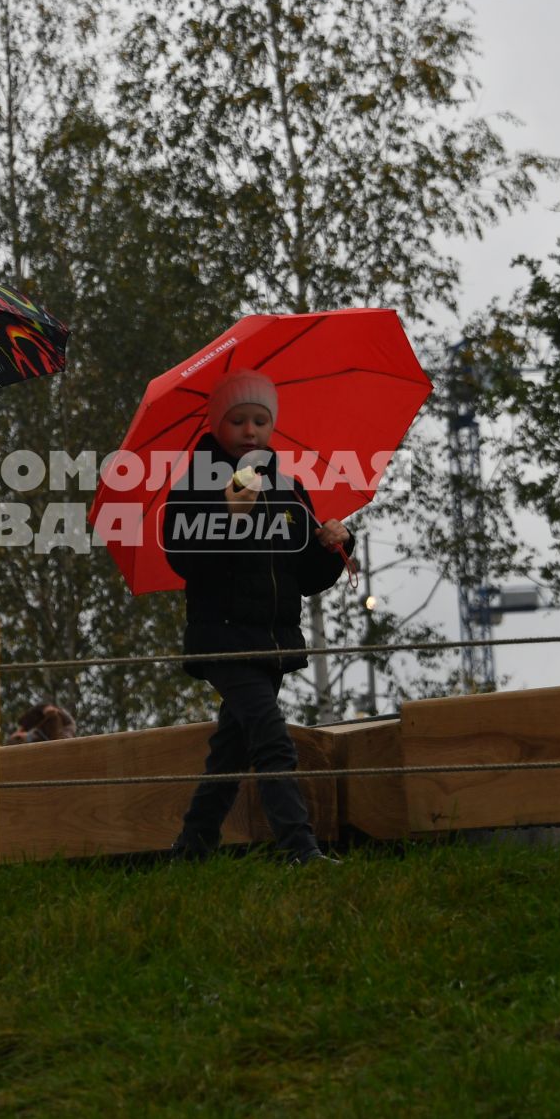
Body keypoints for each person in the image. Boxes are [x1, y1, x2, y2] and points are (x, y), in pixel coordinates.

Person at [162, 370, 354, 865]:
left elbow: (305, 577)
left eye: (261, 420)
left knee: (231, 751)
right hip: (223, 639)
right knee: (273, 741)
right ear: (217, 425)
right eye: (238, 419)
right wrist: (227, 516)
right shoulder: (196, 483)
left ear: (273, 427)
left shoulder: (289, 490)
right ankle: (299, 849)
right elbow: (183, 558)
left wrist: (335, 546)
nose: (250, 430)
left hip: (272, 641)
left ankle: (191, 849)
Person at [8, 701, 77, 744]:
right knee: (28, 737)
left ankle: (61, 743)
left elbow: (52, 711)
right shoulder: (25, 725)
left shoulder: (38, 709)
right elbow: (18, 733)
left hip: (66, 724)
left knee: (55, 719)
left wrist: (48, 711)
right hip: (44, 732)